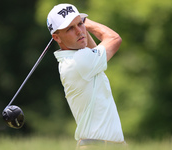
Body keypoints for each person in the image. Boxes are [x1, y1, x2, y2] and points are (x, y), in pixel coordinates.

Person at [47, 3, 127, 149]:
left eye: (79, 24)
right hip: (98, 145)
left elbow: (93, 50)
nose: (78, 31)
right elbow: (114, 39)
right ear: (56, 37)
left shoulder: (76, 59)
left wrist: (81, 28)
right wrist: (86, 23)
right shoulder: (79, 61)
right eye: (70, 28)